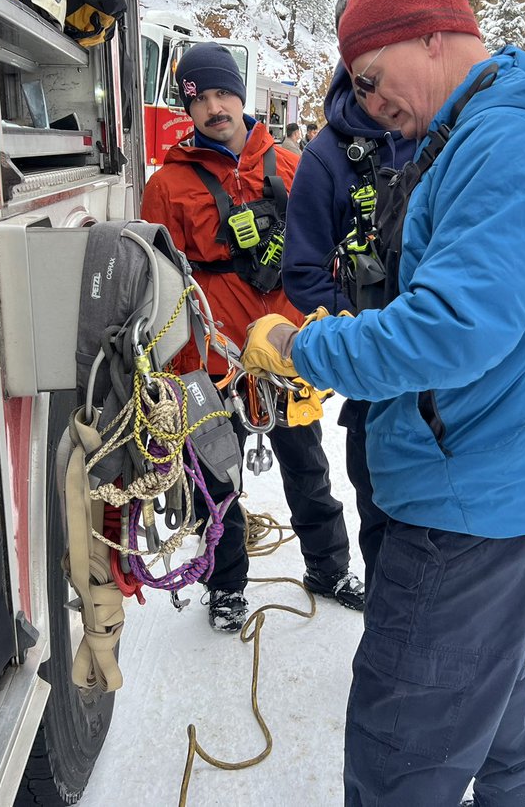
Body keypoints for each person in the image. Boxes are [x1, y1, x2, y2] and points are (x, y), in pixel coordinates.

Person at [242, 0, 525, 806]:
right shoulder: (484, 132)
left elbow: (452, 327)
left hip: (467, 511)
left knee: (399, 759)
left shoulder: (506, 143)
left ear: (432, 33)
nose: (367, 103)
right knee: (493, 708)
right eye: (355, 89)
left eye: (369, 78)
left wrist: (303, 349)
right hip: (496, 493)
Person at [140, 42, 366, 633]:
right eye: (200, 99)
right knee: (218, 478)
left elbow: (332, 251)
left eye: (222, 93)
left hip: (285, 352)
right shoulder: (168, 185)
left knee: (308, 467)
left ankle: (329, 567)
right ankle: (226, 585)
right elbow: (160, 281)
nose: (214, 108)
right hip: (212, 359)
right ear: (186, 109)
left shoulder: (293, 166)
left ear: (241, 94)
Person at [282, 0, 409, 579]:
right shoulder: (326, 158)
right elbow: (302, 271)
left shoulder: (448, 132)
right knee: (385, 522)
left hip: (453, 386)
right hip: (377, 382)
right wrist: (367, 337)